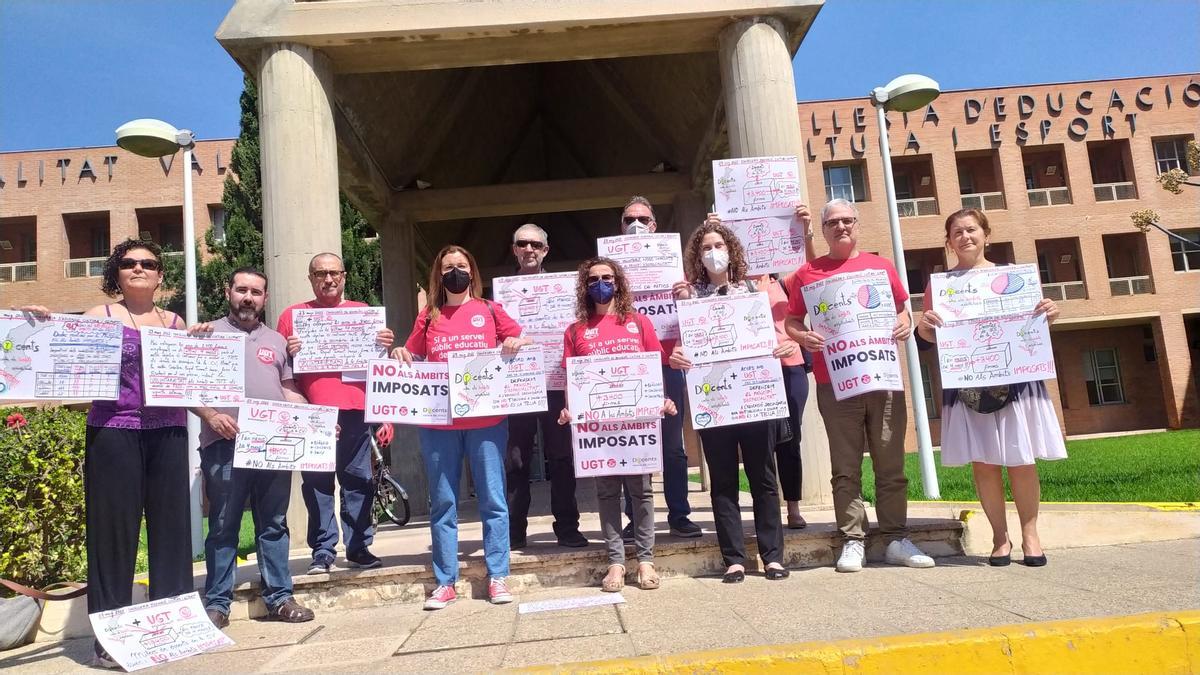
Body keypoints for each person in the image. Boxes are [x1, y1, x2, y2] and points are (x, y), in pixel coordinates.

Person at [20, 239, 192, 668]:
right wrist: (42, 323)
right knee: (113, 533)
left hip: (168, 432)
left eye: (148, 263)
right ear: (116, 272)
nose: (139, 269)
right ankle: (110, 636)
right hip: (113, 433)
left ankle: (171, 623)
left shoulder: (176, 322)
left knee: (172, 530)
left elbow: (194, 378)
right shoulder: (101, 316)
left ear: (160, 274)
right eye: (129, 263)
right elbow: (59, 346)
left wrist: (202, 345)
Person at [785, 199, 935, 573]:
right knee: (845, 465)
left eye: (847, 220)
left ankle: (896, 537)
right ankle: (853, 539)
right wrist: (803, 337)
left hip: (882, 378)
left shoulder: (880, 266)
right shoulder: (807, 273)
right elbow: (791, 320)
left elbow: (903, 308)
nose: (841, 227)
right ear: (823, 230)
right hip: (835, 381)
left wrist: (904, 322)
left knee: (890, 462)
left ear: (857, 223)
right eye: (833, 222)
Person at [915, 208, 1065, 567]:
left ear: (986, 234)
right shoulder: (940, 287)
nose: (965, 236)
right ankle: (1000, 538)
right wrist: (925, 325)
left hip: (1014, 379)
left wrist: (1049, 312)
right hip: (968, 382)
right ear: (949, 242)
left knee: (1021, 459)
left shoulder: (1013, 279)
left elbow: (1031, 329)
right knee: (983, 463)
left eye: (971, 229)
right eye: (957, 232)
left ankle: (1031, 535)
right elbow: (927, 337)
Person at [393, 245, 531, 610]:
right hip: (440, 423)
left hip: (487, 422)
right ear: (439, 275)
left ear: (473, 272)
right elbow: (412, 355)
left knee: (493, 499)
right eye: (448, 267)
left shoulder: (489, 310)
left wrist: (516, 341)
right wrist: (399, 354)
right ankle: (445, 581)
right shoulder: (429, 316)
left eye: (462, 266)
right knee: (443, 502)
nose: (455, 271)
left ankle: (498, 574)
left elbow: (524, 340)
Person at [669, 221, 793, 582]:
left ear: (731, 249)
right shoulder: (689, 298)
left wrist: (784, 346)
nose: (713, 252)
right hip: (716, 401)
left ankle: (773, 557)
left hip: (755, 397)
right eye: (706, 247)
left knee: (763, 479)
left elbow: (777, 333)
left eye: (718, 244)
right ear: (697, 256)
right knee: (723, 481)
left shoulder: (754, 288)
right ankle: (734, 559)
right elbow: (681, 344)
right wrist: (678, 356)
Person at [192, 268, 316, 628]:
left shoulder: (277, 340)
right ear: (229, 291)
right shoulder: (206, 333)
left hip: (273, 444)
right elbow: (184, 384)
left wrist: (316, 420)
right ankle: (217, 603)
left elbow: (289, 389)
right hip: (224, 445)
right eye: (242, 290)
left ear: (264, 298)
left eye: (256, 292)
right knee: (223, 524)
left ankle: (280, 597)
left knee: (273, 523)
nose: (248, 297)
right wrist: (211, 415)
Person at [557, 257, 676, 591]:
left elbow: (654, 367)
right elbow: (570, 376)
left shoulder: (639, 322)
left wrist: (662, 399)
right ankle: (615, 562)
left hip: (637, 425)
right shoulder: (575, 330)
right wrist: (569, 409)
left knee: (642, 492)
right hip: (598, 428)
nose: (600, 284)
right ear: (585, 287)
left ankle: (646, 560)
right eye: (593, 279)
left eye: (607, 277)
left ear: (619, 282)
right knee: (607, 493)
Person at [276, 252, 394, 574]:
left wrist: (384, 412)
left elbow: (378, 368)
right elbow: (282, 371)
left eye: (334, 273)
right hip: (313, 414)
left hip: (356, 410)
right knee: (317, 485)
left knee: (359, 481)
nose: (327, 279)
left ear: (343, 276)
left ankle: (358, 547)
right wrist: (289, 351)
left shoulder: (363, 313)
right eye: (320, 274)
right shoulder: (292, 316)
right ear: (310, 278)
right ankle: (323, 551)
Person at [617, 196, 701, 540]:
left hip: (668, 366)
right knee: (632, 445)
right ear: (621, 228)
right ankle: (635, 518)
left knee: (673, 446)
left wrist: (687, 299)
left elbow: (699, 321)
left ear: (654, 226)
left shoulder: (677, 270)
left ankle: (679, 514)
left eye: (643, 218)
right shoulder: (612, 272)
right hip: (626, 368)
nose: (636, 224)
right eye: (629, 220)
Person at [505, 223, 586, 549]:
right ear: (514, 249)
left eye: (535, 245)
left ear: (545, 250)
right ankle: (514, 533)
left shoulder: (567, 290)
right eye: (522, 244)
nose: (529, 249)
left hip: (555, 384)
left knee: (562, 459)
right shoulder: (501, 294)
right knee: (515, 461)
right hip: (517, 387)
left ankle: (567, 528)